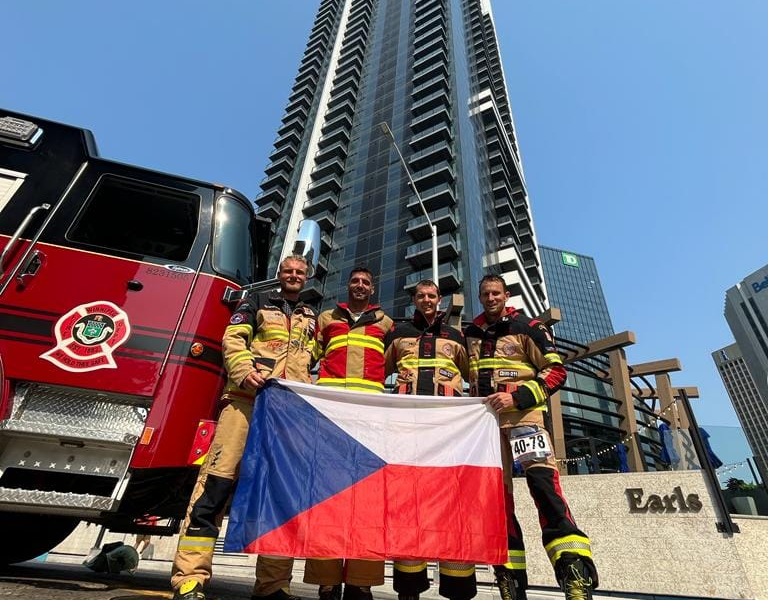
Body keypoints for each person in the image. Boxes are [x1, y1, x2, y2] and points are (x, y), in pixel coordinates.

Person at [171, 255, 318, 600]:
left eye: (300, 272)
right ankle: (190, 577)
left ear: (307, 277)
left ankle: (273, 585)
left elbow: (315, 361)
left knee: (281, 497)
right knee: (215, 487)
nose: (294, 275)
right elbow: (233, 340)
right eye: (288, 271)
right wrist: (243, 371)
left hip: (287, 413)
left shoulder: (312, 314)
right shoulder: (255, 302)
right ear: (279, 274)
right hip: (245, 402)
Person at [464, 275, 598, 600]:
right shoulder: (471, 333)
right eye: (485, 293)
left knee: (545, 491)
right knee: (498, 505)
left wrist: (518, 398)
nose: (491, 297)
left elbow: (556, 371)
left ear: (505, 295)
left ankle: (575, 576)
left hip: (526, 421)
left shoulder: (528, 326)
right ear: (480, 297)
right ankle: (510, 582)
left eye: (496, 292)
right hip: (487, 430)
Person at [304, 267, 393, 600]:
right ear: (349, 286)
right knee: (327, 499)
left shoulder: (386, 324)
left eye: (366, 282)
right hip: (330, 419)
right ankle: (327, 580)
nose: (360, 286)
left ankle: (361, 581)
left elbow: (400, 364)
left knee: (367, 501)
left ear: (372, 288)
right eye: (355, 281)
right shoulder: (327, 318)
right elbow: (306, 356)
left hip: (369, 422)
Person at [383, 280, 475, 600]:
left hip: (448, 431)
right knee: (409, 507)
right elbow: (374, 372)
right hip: (408, 431)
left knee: (453, 506)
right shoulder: (397, 333)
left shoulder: (455, 335)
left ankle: (458, 587)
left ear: (439, 299)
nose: (426, 300)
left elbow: (476, 378)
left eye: (432, 296)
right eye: (421, 296)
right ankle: (409, 589)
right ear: (414, 300)